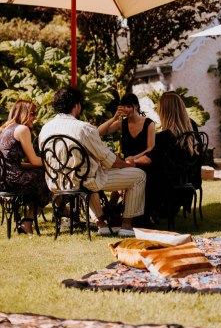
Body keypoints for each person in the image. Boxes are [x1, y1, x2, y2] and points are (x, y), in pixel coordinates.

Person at [38, 87, 146, 237]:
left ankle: (101, 224)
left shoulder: (45, 129)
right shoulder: (83, 128)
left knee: (88, 172)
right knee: (139, 175)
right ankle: (126, 226)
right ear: (76, 105)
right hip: (84, 182)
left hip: (58, 183)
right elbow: (108, 159)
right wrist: (127, 164)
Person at [135, 91, 200, 217]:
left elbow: (148, 159)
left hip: (168, 185)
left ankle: (138, 212)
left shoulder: (165, 137)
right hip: (189, 179)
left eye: (159, 109)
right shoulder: (192, 128)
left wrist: (131, 161)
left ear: (164, 111)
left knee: (140, 171)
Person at [0, 100, 51, 234]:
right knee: (51, 179)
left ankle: (62, 210)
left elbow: (11, 162)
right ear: (24, 113)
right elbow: (34, 160)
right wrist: (53, 162)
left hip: (4, 180)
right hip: (15, 180)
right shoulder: (22, 129)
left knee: (41, 173)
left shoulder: (5, 128)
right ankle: (28, 222)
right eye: (33, 113)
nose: (35, 117)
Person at [98, 93, 155, 162]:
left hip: (143, 162)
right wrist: (114, 118)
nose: (126, 109)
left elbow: (150, 148)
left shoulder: (149, 124)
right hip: (126, 164)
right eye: (123, 107)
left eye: (128, 106)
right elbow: (99, 132)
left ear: (136, 106)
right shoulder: (121, 123)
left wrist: (134, 158)